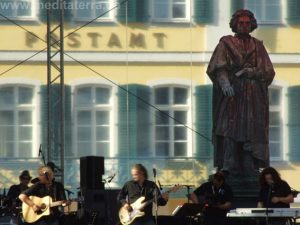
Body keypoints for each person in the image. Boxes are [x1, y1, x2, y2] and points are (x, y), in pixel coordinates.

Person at [207, 9, 275, 173]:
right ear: (235, 25)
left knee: (251, 131)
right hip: (233, 94)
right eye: (241, 23)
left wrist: (250, 72)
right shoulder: (225, 43)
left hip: (254, 97)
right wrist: (225, 85)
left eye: (247, 23)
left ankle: (249, 164)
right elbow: (218, 69)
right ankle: (228, 164)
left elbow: (268, 71)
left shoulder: (258, 45)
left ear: (251, 25)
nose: (244, 26)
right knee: (229, 129)